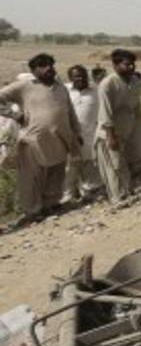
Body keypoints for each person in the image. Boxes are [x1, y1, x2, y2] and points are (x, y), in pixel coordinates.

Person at [0, 54, 82, 222]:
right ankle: (32, 211)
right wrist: (15, 115)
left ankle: (50, 205)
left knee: (56, 173)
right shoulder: (24, 86)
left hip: (60, 138)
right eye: (43, 65)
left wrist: (77, 132)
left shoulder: (61, 87)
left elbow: (70, 112)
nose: (49, 68)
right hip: (33, 140)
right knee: (31, 177)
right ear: (33, 70)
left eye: (51, 64)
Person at [95, 49, 141, 204]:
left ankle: (127, 186)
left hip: (131, 128)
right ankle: (118, 198)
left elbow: (136, 106)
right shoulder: (108, 84)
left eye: (133, 64)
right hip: (111, 131)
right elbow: (105, 112)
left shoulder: (134, 81)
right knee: (114, 165)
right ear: (115, 65)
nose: (131, 67)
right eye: (127, 64)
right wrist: (110, 136)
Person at [63, 65, 102, 202]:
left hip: (90, 135)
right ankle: (68, 197)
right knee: (69, 167)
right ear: (70, 78)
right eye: (76, 76)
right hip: (69, 136)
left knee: (89, 164)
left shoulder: (96, 90)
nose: (80, 78)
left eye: (82, 75)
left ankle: (88, 192)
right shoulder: (64, 90)